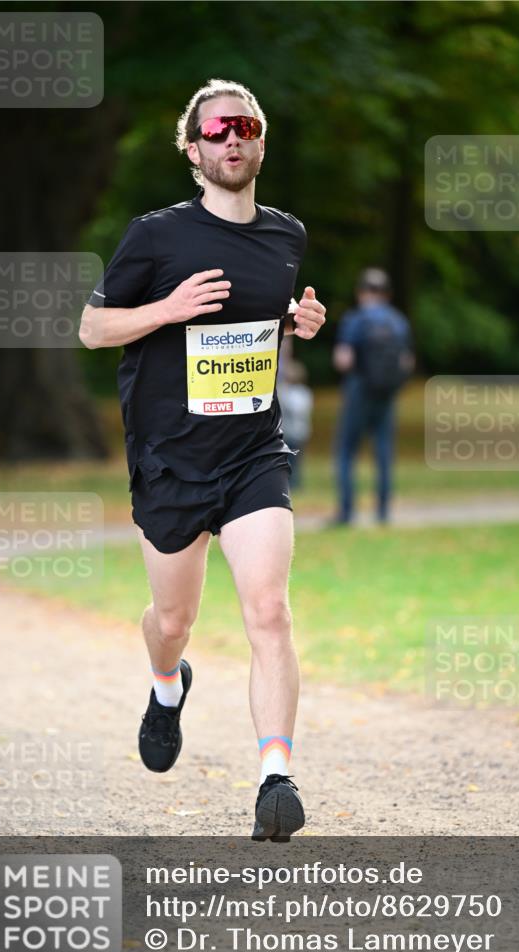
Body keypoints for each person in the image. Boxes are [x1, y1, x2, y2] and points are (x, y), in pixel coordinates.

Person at [79, 79, 326, 842]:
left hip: (253, 452)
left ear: (260, 140)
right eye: (216, 130)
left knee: (269, 610)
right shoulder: (155, 236)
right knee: (173, 620)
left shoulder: (285, 236)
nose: (231, 139)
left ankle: (275, 778)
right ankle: (166, 683)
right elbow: (92, 329)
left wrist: (298, 322)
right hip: (170, 459)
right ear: (193, 149)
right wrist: (167, 309)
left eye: (243, 126)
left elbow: (260, 325)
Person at [332, 267, 414, 524]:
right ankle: (383, 512)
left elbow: (344, 359)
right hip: (386, 394)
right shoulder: (398, 321)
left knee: (346, 451)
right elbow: (407, 362)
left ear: (361, 292)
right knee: (383, 451)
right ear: (387, 294)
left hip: (358, 390)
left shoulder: (355, 319)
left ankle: (347, 512)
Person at [279, 359, 314, 489]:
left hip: (297, 432)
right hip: (288, 432)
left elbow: (297, 409)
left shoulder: (301, 392)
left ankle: (295, 483)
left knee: (295, 458)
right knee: (287, 458)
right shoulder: (291, 391)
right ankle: (289, 482)